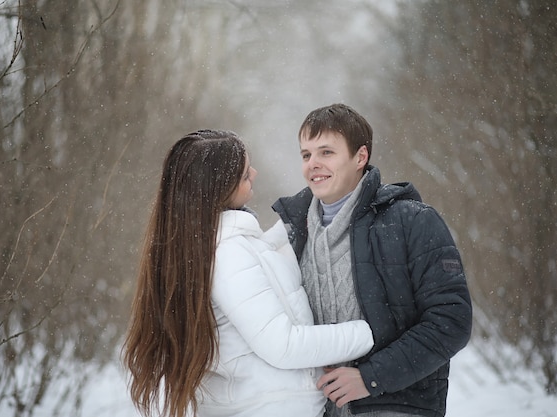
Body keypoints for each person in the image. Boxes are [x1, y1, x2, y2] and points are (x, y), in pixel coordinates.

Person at [123, 129, 375, 417]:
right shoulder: (227, 253)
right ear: (218, 187)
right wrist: (370, 331)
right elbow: (282, 344)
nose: (254, 173)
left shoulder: (217, 246)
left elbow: (266, 272)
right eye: (244, 173)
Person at [272, 104, 473, 417]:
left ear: (360, 157)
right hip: (315, 407)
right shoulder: (291, 233)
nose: (313, 164)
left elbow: (451, 321)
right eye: (306, 154)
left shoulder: (412, 222)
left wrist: (371, 377)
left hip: (397, 404)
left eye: (326, 152)